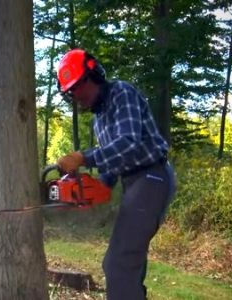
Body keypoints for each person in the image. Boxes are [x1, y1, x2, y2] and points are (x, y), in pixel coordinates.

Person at [55, 48, 176, 299]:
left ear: (94, 76)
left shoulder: (122, 92)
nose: (76, 95)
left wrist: (84, 157)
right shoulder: (99, 119)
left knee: (118, 263)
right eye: (71, 92)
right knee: (128, 263)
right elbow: (113, 164)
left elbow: (129, 142)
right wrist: (92, 189)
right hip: (134, 181)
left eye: (78, 87)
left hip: (151, 176)